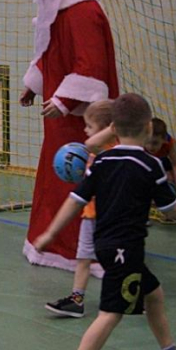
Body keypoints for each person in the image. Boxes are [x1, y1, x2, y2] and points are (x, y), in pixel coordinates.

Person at [34, 93, 176, 350]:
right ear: (148, 127)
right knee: (110, 313)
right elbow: (170, 209)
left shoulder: (101, 161)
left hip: (105, 245)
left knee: (153, 295)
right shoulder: (151, 164)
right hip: (125, 251)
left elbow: (75, 201)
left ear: (113, 128)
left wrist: (50, 232)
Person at [20, 0, 120, 273]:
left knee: (83, 181)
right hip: (60, 118)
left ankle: (84, 251)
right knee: (57, 179)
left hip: (84, 120)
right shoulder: (56, 14)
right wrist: (33, 86)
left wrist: (64, 98)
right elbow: (48, 55)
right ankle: (56, 244)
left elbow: (91, 65)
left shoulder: (83, 13)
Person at [45, 100, 116, 318]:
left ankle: (134, 291)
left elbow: (90, 144)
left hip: (109, 218)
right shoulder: (93, 152)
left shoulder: (112, 152)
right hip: (90, 214)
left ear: (106, 130)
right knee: (83, 258)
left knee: (116, 259)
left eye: (90, 126)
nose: (85, 130)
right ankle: (77, 299)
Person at [145, 118, 176, 197]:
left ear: (164, 140)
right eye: (147, 142)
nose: (150, 146)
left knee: (170, 179)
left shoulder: (170, 143)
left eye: (155, 143)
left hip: (161, 161)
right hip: (144, 162)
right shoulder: (139, 143)